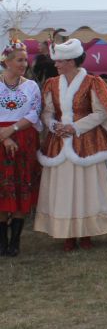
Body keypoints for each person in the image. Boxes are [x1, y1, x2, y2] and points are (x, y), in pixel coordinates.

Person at [35, 38, 107, 252]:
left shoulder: (93, 82)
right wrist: (54, 125)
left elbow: (101, 112)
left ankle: (86, 232)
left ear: (72, 61)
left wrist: (75, 127)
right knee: (63, 187)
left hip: (87, 141)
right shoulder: (52, 84)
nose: (56, 64)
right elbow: (46, 112)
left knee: (87, 187)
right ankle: (67, 233)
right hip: (59, 142)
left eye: (60, 61)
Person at [0, 40, 42, 257]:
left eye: (26, 60)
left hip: (24, 139)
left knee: (21, 186)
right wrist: (4, 136)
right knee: (2, 189)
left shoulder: (31, 86)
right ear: (7, 62)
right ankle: (2, 242)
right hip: (1, 139)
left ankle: (15, 242)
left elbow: (34, 113)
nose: (24, 64)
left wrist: (13, 129)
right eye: (19, 60)